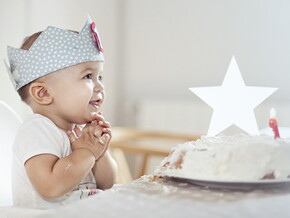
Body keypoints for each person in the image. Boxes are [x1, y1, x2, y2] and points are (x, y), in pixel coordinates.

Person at [5, 16, 118, 208]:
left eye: (100, 76)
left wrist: (99, 151)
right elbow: (50, 187)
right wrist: (87, 151)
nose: (100, 87)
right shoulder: (37, 129)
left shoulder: (82, 130)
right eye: (88, 76)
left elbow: (106, 184)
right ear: (43, 93)